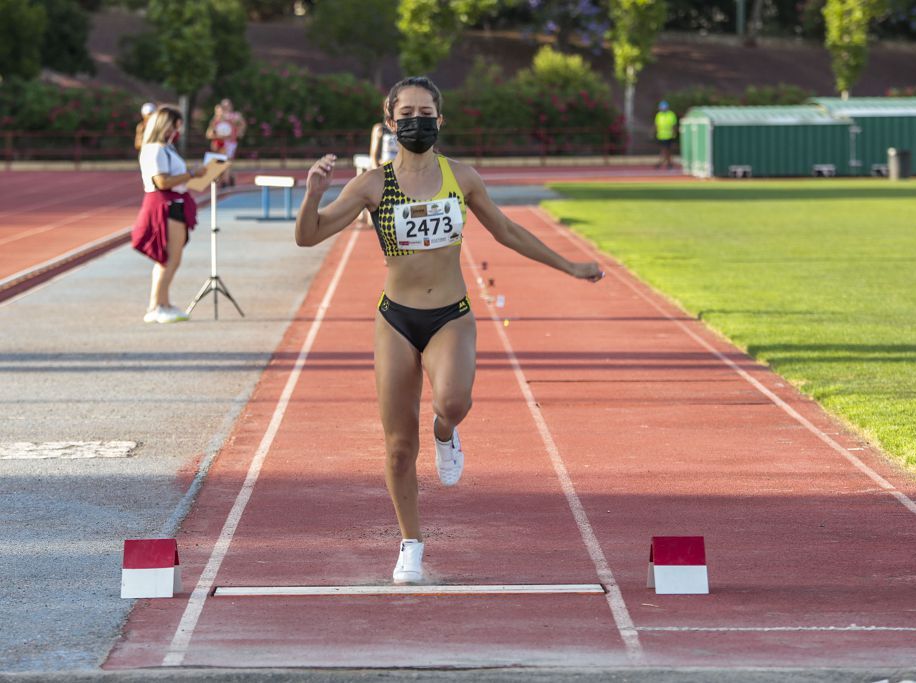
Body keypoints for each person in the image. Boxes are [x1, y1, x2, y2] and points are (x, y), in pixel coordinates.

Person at [295, 76, 604, 584]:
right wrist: (313, 195)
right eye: (407, 113)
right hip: (395, 317)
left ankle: (446, 432)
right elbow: (308, 236)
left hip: (450, 315)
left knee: (453, 402)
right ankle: (411, 544)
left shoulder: (461, 177)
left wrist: (568, 266)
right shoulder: (372, 184)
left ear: (440, 120)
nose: (416, 120)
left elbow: (506, 231)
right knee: (397, 446)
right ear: (391, 122)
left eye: (426, 112)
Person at [133, 105, 204, 324]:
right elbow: (162, 181)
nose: (178, 129)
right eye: (176, 124)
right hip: (164, 203)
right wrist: (190, 173)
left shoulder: (166, 148)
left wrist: (193, 174)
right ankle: (156, 305)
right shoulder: (155, 149)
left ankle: (162, 302)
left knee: (171, 258)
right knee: (169, 258)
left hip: (174, 202)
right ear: (166, 124)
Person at [206, 98, 246, 186]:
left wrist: (240, 132)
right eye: (224, 106)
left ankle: (225, 181)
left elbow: (241, 124)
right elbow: (209, 133)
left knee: (226, 161)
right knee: (219, 162)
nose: (226, 107)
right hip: (218, 144)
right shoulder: (216, 119)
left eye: (227, 105)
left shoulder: (235, 116)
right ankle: (228, 178)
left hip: (229, 143)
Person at [654, 100, 677, 170]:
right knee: (664, 150)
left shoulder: (671, 114)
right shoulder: (659, 115)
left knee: (667, 150)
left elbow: (674, 125)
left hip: (669, 136)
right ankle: (666, 164)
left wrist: (674, 134)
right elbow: (656, 125)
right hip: (661, 136)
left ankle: (664, 163)